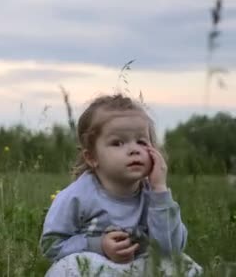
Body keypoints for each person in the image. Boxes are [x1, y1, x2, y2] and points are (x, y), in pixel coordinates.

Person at [40, 94, 201, 276]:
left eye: (141, 142)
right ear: (92, 157)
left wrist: (160, 191)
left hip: (139, 268)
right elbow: (51, 245)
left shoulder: (153, 195)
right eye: (118, 143)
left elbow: (170, 250)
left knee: (183, 265)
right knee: (68, 267)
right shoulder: (77, 196)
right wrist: (99, 245)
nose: (134, 149)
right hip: (96, 268)